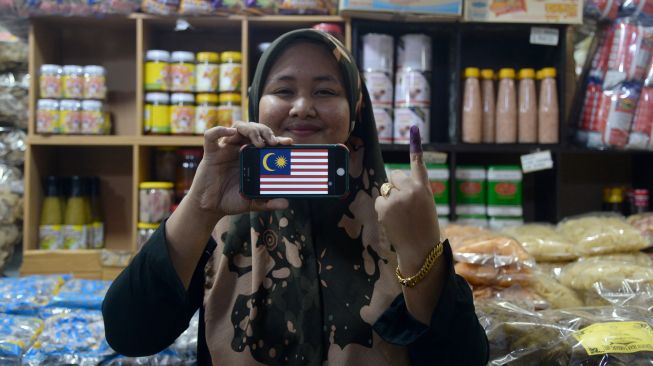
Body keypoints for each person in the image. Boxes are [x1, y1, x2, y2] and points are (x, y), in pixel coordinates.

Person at [102, 29, 489, 365]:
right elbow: (130, 334)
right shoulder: (215, 220)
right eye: (283, 90)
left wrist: (421, 250)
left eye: (325, 91)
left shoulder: (395, 214)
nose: (303, 107)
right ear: (256, 101)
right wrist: (201, 206)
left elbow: (461, 359)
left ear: (354, 109)